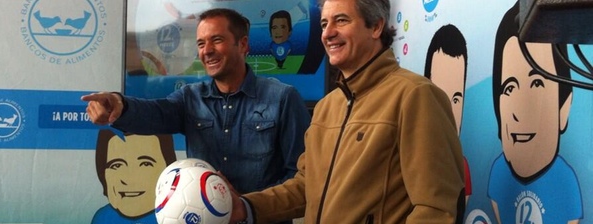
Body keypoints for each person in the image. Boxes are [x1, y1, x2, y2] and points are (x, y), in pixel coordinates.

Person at [227, 0, 465, 223]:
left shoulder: (415, 95)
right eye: (323, 23)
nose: (328, 33)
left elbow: (437, 208)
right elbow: (305, 187)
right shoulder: (326, 107)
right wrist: (245, 206)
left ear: (376, 26)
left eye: (341, 21)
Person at [81, 7, 311, 221]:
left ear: (243, 45)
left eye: (216, 40)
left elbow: (300, 178)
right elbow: (156, 113)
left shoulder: (283, 98)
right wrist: (120, 105)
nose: (206, 51)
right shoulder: (190, 98)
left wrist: (247, 207)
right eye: (200, 43)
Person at [488, 3, 582, 223]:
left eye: (537, 83)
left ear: (564, 106)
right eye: (509, 88)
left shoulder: (566, 182)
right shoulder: (498, 174)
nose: (519, 114)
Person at [423, 24, 472, 203]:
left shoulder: (461, 167)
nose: (449, 110)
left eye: (456, 99)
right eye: (440, 96)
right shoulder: (406, 158)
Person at [91, 130, 176, 223]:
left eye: (145, 164)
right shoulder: (103, 218)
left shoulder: (182, 214)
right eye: (117, 165)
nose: (128, 180)